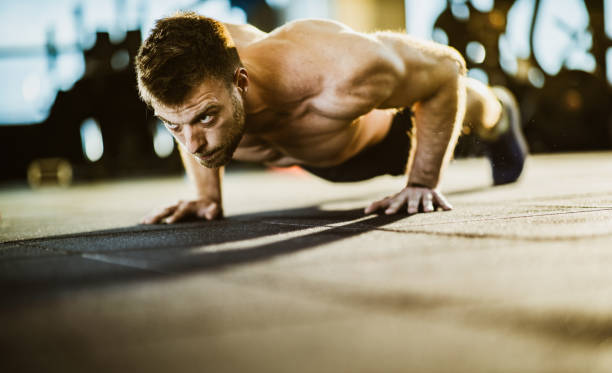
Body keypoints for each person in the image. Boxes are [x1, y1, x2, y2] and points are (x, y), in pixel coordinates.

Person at [135, 11, 527, 224]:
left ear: (240, 81)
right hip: (309, 149)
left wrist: (422, 181)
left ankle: (501, 112)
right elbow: (186, 113)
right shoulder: (189, 76)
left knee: (473, 103)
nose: (190, 143)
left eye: (205, 118)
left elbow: (445, 69)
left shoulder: (341, 70)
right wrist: (207, 196)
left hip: (386, 136)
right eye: (172, 126)